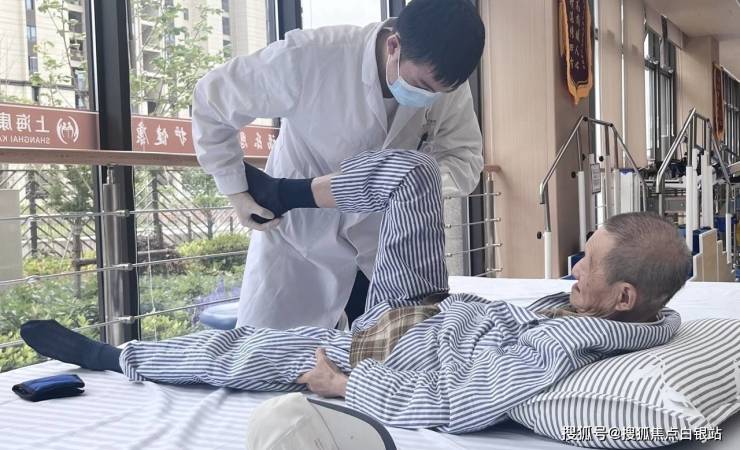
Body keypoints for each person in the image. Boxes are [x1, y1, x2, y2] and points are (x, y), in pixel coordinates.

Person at [20, 150, 690, 434]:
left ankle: (116, 357)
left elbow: (453, 403)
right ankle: (282, 193)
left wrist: (344, 386)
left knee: (243, 351)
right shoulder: (638, 313)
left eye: (588, 264)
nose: (573, 268)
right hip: (427, 305)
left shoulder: (563, 349)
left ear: (624, 296)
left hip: (380, 350)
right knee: (413, 173)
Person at [191, 0, 486, 330]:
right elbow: (212, 98)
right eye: (422, 87)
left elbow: (465, 159)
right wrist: (235, 189)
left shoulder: (444, 85)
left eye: (439, 92)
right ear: (394, 45)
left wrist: (409, 185)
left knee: (385, 357)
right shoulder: (313, 56)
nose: (430, 98)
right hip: (299, 242)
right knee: (271, 355)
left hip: (383, 252)